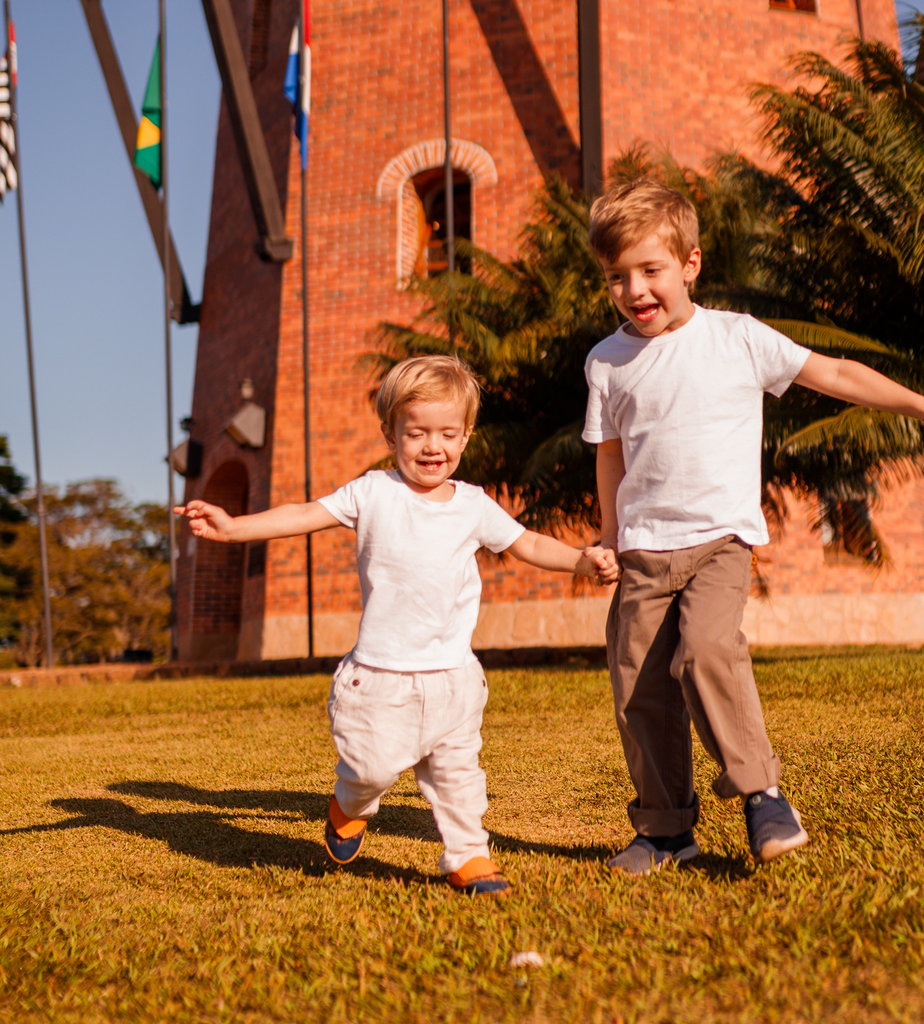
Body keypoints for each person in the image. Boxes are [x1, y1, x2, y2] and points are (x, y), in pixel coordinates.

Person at [583, 179, 924, 875]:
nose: (634, 289)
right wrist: (611, 532)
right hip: (643, 552)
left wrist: (922, 406)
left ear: (691, 264)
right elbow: (609, 453)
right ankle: (667, 830)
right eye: (617, 277)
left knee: (705, 652)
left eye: (651, 270)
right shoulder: (607, 363)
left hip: (717, 543)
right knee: (637, 687)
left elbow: (834, 373)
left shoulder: (737, 338)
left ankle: (762, 793)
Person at [178, 355, 617, 893]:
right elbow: (301, 515)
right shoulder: (372, 493)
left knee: (459, 777)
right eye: (417, 433)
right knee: (370, 769)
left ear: (466, 436)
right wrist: (233, 527)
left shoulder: (473, 506)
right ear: (391, 434)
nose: (433, 446)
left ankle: (467, 856)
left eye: (447, 433)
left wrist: (580, 557)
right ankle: (350, 804)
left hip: (454, 677)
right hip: (379, 679)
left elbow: (526, 542)